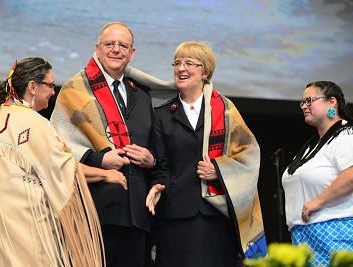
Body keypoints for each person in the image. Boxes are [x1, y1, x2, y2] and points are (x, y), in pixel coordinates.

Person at [0, 57, 126, 267]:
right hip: (20, 226)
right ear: (32, 87)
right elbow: (62, 168)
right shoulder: (32, 122)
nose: (53, 91)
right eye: (50, 85)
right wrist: (105, 174)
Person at [139, 41, 267, 267]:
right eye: (177, 63)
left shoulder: (225, 110)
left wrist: (218, 169)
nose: (181, 69)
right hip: (174, 216)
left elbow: (249, 154)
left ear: (205, 71)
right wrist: (158, 183)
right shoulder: (161, 115)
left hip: (215, 215)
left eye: (189, 63)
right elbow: (162, 166)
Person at [50, 22, 156, 267]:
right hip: (92, 210)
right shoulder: (74, 91)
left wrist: (151, 160)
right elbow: (57, 147)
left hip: (136, 215)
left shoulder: (142, 96)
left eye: (123, 45)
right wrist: (99, 159)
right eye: (109, 44)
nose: (116, 50)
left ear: (132, 53)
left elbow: (156, 149)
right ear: (97, 49)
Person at [282, 81, 353, 267]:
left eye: (310, 100)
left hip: (335, 233)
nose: (304, 106)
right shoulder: (312, 144)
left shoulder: (346, 135)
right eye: (303, 102)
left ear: (332, 102)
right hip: (305, 236)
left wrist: (318, 201)